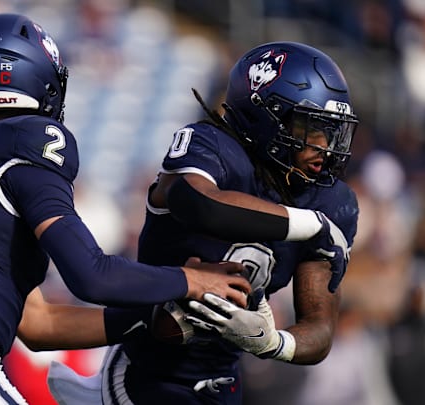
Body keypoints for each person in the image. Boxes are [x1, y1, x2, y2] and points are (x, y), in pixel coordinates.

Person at [0, 13, 260, 405]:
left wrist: (148, 318)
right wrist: (189, 280)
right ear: (40, 79)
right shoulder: (31, 136)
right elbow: (91, 275)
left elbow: (39, 325)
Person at [41, 41, 360, 404]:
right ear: (267, 115)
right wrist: (306, 225)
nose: (324, 147)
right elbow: (197, 202)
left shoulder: (330, 202)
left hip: (222, 382)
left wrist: (275, 342)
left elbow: (319, 330)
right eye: (310, 128)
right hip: (146, 374)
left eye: (332, 132)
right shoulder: (214, 149)